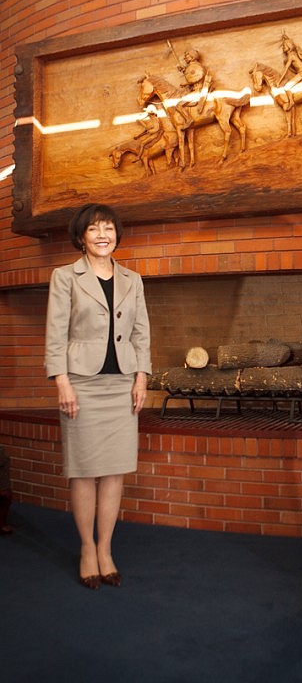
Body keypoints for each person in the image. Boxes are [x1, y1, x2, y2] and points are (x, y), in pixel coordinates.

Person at [45, 204, 151, 590]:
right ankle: (87, 548)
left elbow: (141, 334)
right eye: (94, 229)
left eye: (109, 227)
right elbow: (55, 334)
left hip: (122, 384)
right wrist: (62, 382)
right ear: (81, 237)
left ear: (116, 235)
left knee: (114, 470)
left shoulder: (132, 280)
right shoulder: (64, 277)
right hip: (82, 384)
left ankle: (106, 548)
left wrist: (141, 379)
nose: (103, 234)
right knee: (84, 469)